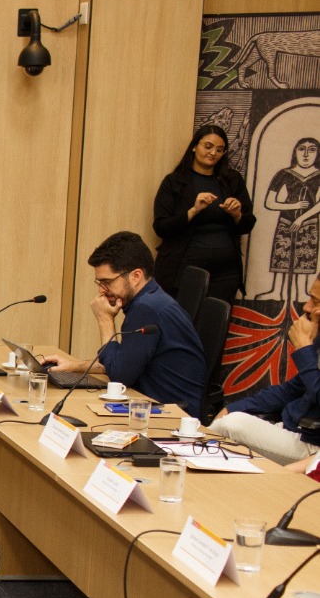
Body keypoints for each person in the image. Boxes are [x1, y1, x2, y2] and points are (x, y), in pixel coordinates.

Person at [40, 231, 208, 413]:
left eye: (107, 282)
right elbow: (125, 361)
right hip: (152, 404)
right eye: (99, 282)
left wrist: (105, 320)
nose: (101, 290)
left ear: (136, 276)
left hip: (170, 415)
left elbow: (119, 376)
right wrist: (74, 366)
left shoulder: (147, 309)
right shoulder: (152, 300)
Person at [214, 273, 320, 464]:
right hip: (291, 429)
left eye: (315, 301)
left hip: (312, 445)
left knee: (230, 426)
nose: (306, 307)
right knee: (227, 421)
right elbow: (292, 389)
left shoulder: (310, 343)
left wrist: (305, 349)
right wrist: (234, 407)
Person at [152, 123, 256, 304]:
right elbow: (161, 227)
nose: (213, 153)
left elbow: (248, 223)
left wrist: (237, 215)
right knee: (184, 323)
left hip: (226, 271)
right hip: (185, 267)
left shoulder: (232, 180)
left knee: (215, 324)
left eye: (219, 149)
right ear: (194, 146)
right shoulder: (174, 181)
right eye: (208, 146)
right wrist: (193, 211)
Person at [263, 136, 320, 303]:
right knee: (281, 255)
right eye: (302, 149)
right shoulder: (284, 174)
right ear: (295, 152)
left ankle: (302, 292)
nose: (306, 154)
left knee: (305, 256)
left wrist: (302, 217)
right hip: (286, 221)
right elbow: (269, 202)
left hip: (309, 223)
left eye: (312, 150)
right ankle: (276, 291)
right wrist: (293, 206)